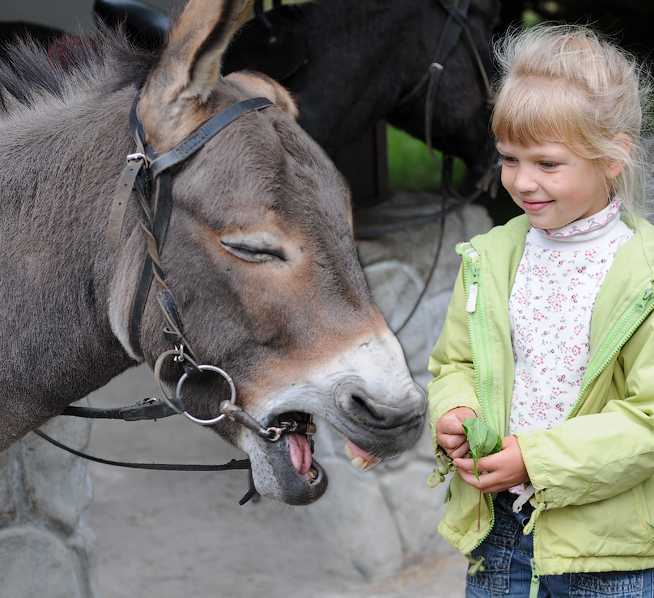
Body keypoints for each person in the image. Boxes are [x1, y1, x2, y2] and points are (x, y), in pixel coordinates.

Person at [427, 23, 654, 597]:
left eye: (548, 164)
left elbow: (647, 418)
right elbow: (455, 364)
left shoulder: (645, 273)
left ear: (612, 156)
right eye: (509, 158)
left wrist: (536, 458)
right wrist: (455, 412)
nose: (523, 181)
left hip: (612, 553)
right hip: (497, 534)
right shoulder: (490, 256)